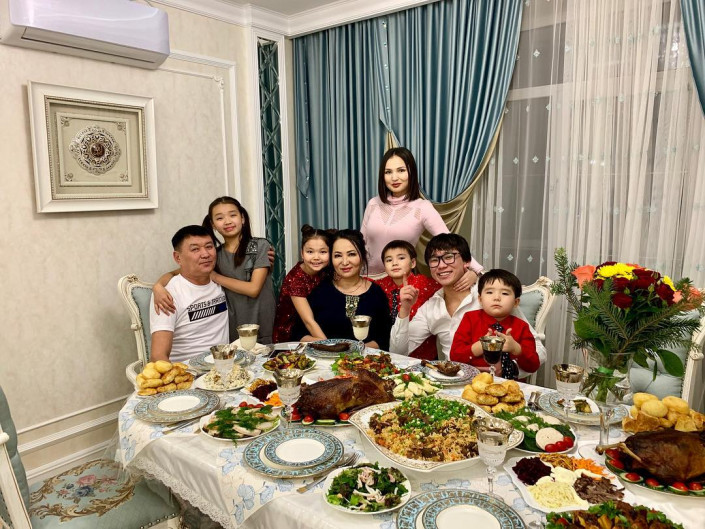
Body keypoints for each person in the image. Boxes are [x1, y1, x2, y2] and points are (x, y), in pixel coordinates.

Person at [389, 234, 546, 372]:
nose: (441, 265)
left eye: (449, 257)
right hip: (454, 382)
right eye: (434, 260)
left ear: (467, 262)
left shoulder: (491, 296)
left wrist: (507, 369)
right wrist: (405, 309)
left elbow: (539, 351)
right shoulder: (431, 307)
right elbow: (398, 352)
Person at [153, 197, 276, 344]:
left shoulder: (260, 246)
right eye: (220, 218)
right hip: (234, 323)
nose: (227, 221)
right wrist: (158, 286)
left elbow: (253, 289)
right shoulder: (214, 254)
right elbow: (179, 271)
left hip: (262, 319)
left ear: (242, 218)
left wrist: (215, 276)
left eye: (233, 215)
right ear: (213, 225)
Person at [360, 147, 484, 285]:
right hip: (365, 279)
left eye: (401, 170)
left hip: (400, 283)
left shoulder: (422, 207)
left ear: (411, 172)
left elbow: (449, 242)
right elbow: (360, 242)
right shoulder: (373, 203)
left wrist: (477, 271)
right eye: (388, 172)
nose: (394, 177)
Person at [291, 229, 392, 350]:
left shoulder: (376, 293)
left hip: (364, 359)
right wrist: (329, 347)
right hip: (323, 359)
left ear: (363, 255)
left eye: (351, 254)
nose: (344, 262)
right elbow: (298, 333)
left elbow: (384, 337)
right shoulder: (320, 291)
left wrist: (353, 352)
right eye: (338, 255)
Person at [149, 225, 229, 363]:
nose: (205, 254)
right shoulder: (167, 295)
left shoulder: (221, 281)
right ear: (178, 258)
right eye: (195, 249)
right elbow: (158, 356)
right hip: (188, 370)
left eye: (209, 247)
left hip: (224, 365)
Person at [449, 269, 540, 379]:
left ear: (516, 302)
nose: (496, 298)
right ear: (480, 299)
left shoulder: (522, 326)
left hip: (510, 385)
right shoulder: (470, 319)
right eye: (489, 292)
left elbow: (534, 366)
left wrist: (516, 349)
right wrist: (478, 347)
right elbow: (454, 357)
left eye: (505, 293)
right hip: (474, 382)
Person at [374, 240, 440, 359]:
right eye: (389, 260)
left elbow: (451, 283)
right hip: (388, 355)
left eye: (401, 258)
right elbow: (357, 283)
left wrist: (472, 274)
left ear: (413, 263)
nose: (394, 263)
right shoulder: (379, 285)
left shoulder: (426, 284)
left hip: (423, 358)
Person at [272, 225, 332, 343]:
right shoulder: (296, 279)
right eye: (310, 252)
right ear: (302, 253)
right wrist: (330, 346)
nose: (316, 257)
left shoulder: (326, 271)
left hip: (314, 326)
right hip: (292, 334)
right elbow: (308, 321)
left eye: (323, 252)